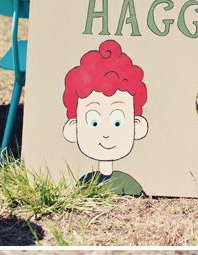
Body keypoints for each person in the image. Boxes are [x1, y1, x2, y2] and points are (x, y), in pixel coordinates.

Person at [62, 39, 148, 195]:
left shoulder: (130, 185)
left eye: (117, 122)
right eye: (93, 122)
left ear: (138, 126)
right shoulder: (83, 182)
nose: (106, 133)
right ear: (74, 127)